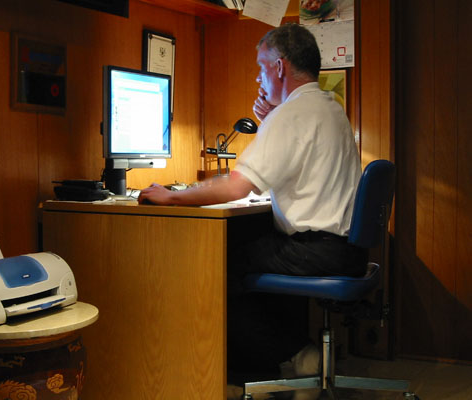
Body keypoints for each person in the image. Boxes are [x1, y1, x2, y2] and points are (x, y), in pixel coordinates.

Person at [139, 23, 366, 399]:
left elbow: (236, 187)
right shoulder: (329, 107)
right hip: (345, 249)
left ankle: (281, 360)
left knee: (212, 264)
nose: (259, 78)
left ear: (279, 67)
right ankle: (286, 360)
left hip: (316, 250)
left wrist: (172, 196)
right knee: (250, 247)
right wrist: (272, 117)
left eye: (261, 68)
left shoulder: (291, 116)